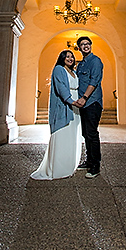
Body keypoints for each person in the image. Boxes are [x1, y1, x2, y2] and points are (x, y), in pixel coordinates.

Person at [31, 49, 82, 180]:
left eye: (72, 57)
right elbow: (61, 88)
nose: (70, 59)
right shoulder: (59, 69)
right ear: (62, 58)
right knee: (62, 135)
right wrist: (72, 101)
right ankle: (59, 169)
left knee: (72, 136)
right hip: (66, 106)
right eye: (67, 57)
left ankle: (70, 166)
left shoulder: (74, 72)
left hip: (76, 109)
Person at [75, 35, 104, 178]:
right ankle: (89, 160)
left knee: (92, 134)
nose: (85, 46)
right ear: (79, 47)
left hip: (92, 102)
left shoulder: (95, 61)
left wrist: (85, 97)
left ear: (91, 45)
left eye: (88, 44)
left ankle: (95, 166)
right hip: (83, 104)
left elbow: (94, 81)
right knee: (85, 133)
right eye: (82, 44)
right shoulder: (81, 64)